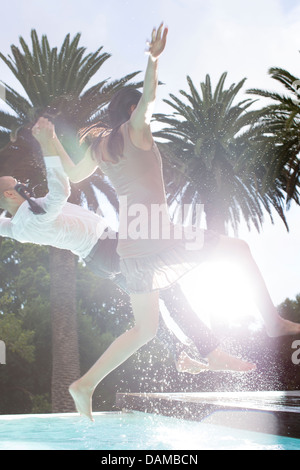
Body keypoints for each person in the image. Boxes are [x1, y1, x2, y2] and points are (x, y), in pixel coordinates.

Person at [55, 23, 300, 420]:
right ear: (132, 110)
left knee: (145, 330)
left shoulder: (101, 147)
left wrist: (51, 148)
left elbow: (72, 174)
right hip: (158, 235)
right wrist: (153, 59)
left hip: (131, 250)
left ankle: (84, 384)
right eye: (141, 111)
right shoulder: (135, 131)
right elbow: (149, 99)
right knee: (238, 250)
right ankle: (272, 323)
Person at [0, 118, 253, 385]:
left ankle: (180, 355)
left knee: (150, 304)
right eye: (19, 184)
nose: (25, 185)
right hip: (109, 248)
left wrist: (50, 143)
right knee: (167, 289)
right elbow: (61, 190)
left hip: (100, 260)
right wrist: (46, 143)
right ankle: (211, 352)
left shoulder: (15, 227)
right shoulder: (34, 216)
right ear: (12, 195)